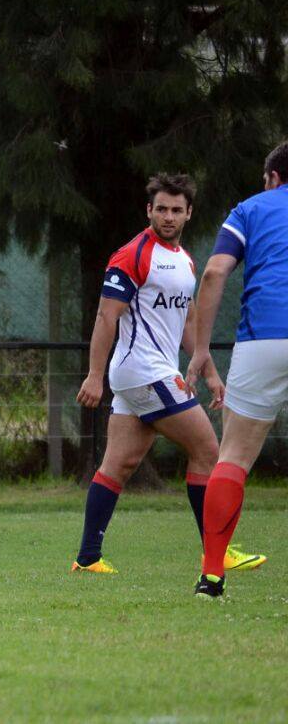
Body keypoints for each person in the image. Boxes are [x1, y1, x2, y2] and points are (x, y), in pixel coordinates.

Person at [72, 174, 266, 576]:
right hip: (142, 371)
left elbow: (187, 325)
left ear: (189, 214)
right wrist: (94, 375)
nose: (168, 216)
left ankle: (88, 557)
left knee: (118, 465)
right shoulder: (132, 255)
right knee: (209, 452)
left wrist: (210, 373)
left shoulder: (186, 261)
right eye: (161, 208)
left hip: (147, 374)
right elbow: (107, 316)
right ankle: (218, 550)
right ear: (149, 210)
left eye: (177, 210)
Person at [185, 140, 288, 598]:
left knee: (233, 459)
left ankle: (211, 576)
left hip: (262, 338)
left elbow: (213, 273)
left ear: (272, 178)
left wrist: (201, 349)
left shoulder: (248, 209)